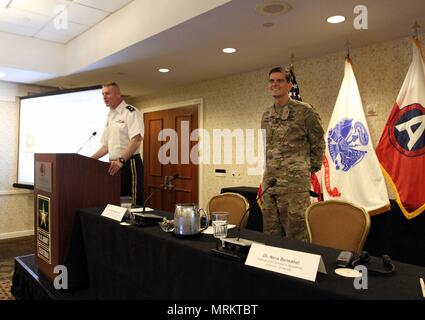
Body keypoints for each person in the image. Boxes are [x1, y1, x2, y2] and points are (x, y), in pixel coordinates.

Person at [261, 67, 325, 241]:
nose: (275, 84)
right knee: (270, 235)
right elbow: (267, 146)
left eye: (280, 80)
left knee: (296, 236)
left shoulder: (305, 111)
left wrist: (304, 170)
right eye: (271, 81)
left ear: (289, 85)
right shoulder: (266, 114)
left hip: (294, 186)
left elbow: (318, 142)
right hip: (270, 183)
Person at [92, 82, 144, 205]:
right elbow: (106, 146)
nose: (104, 97)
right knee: (116, 205)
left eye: (108, 93)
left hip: (128, 164)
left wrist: (121, 161)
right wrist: (88, 160)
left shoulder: (131, 112)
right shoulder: (110, 116)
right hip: (112, 166)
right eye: (102, 94)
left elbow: (136, 139)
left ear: (118, 94)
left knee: (132, 205)